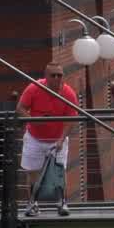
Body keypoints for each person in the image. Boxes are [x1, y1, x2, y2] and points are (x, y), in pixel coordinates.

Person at [16, 62, 80, 217]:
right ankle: (33, 203)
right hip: (34, 138)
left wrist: (61, 139)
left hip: (57, 139)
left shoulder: (68, 93)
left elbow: (71, 119)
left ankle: (62, 203)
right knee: (32, 172)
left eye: (60, 75)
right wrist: (32, 120)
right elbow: (20, 109)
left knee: (59, 172)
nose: (57, 78)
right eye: (53, 75)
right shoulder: (34, 88)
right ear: (46, 77)